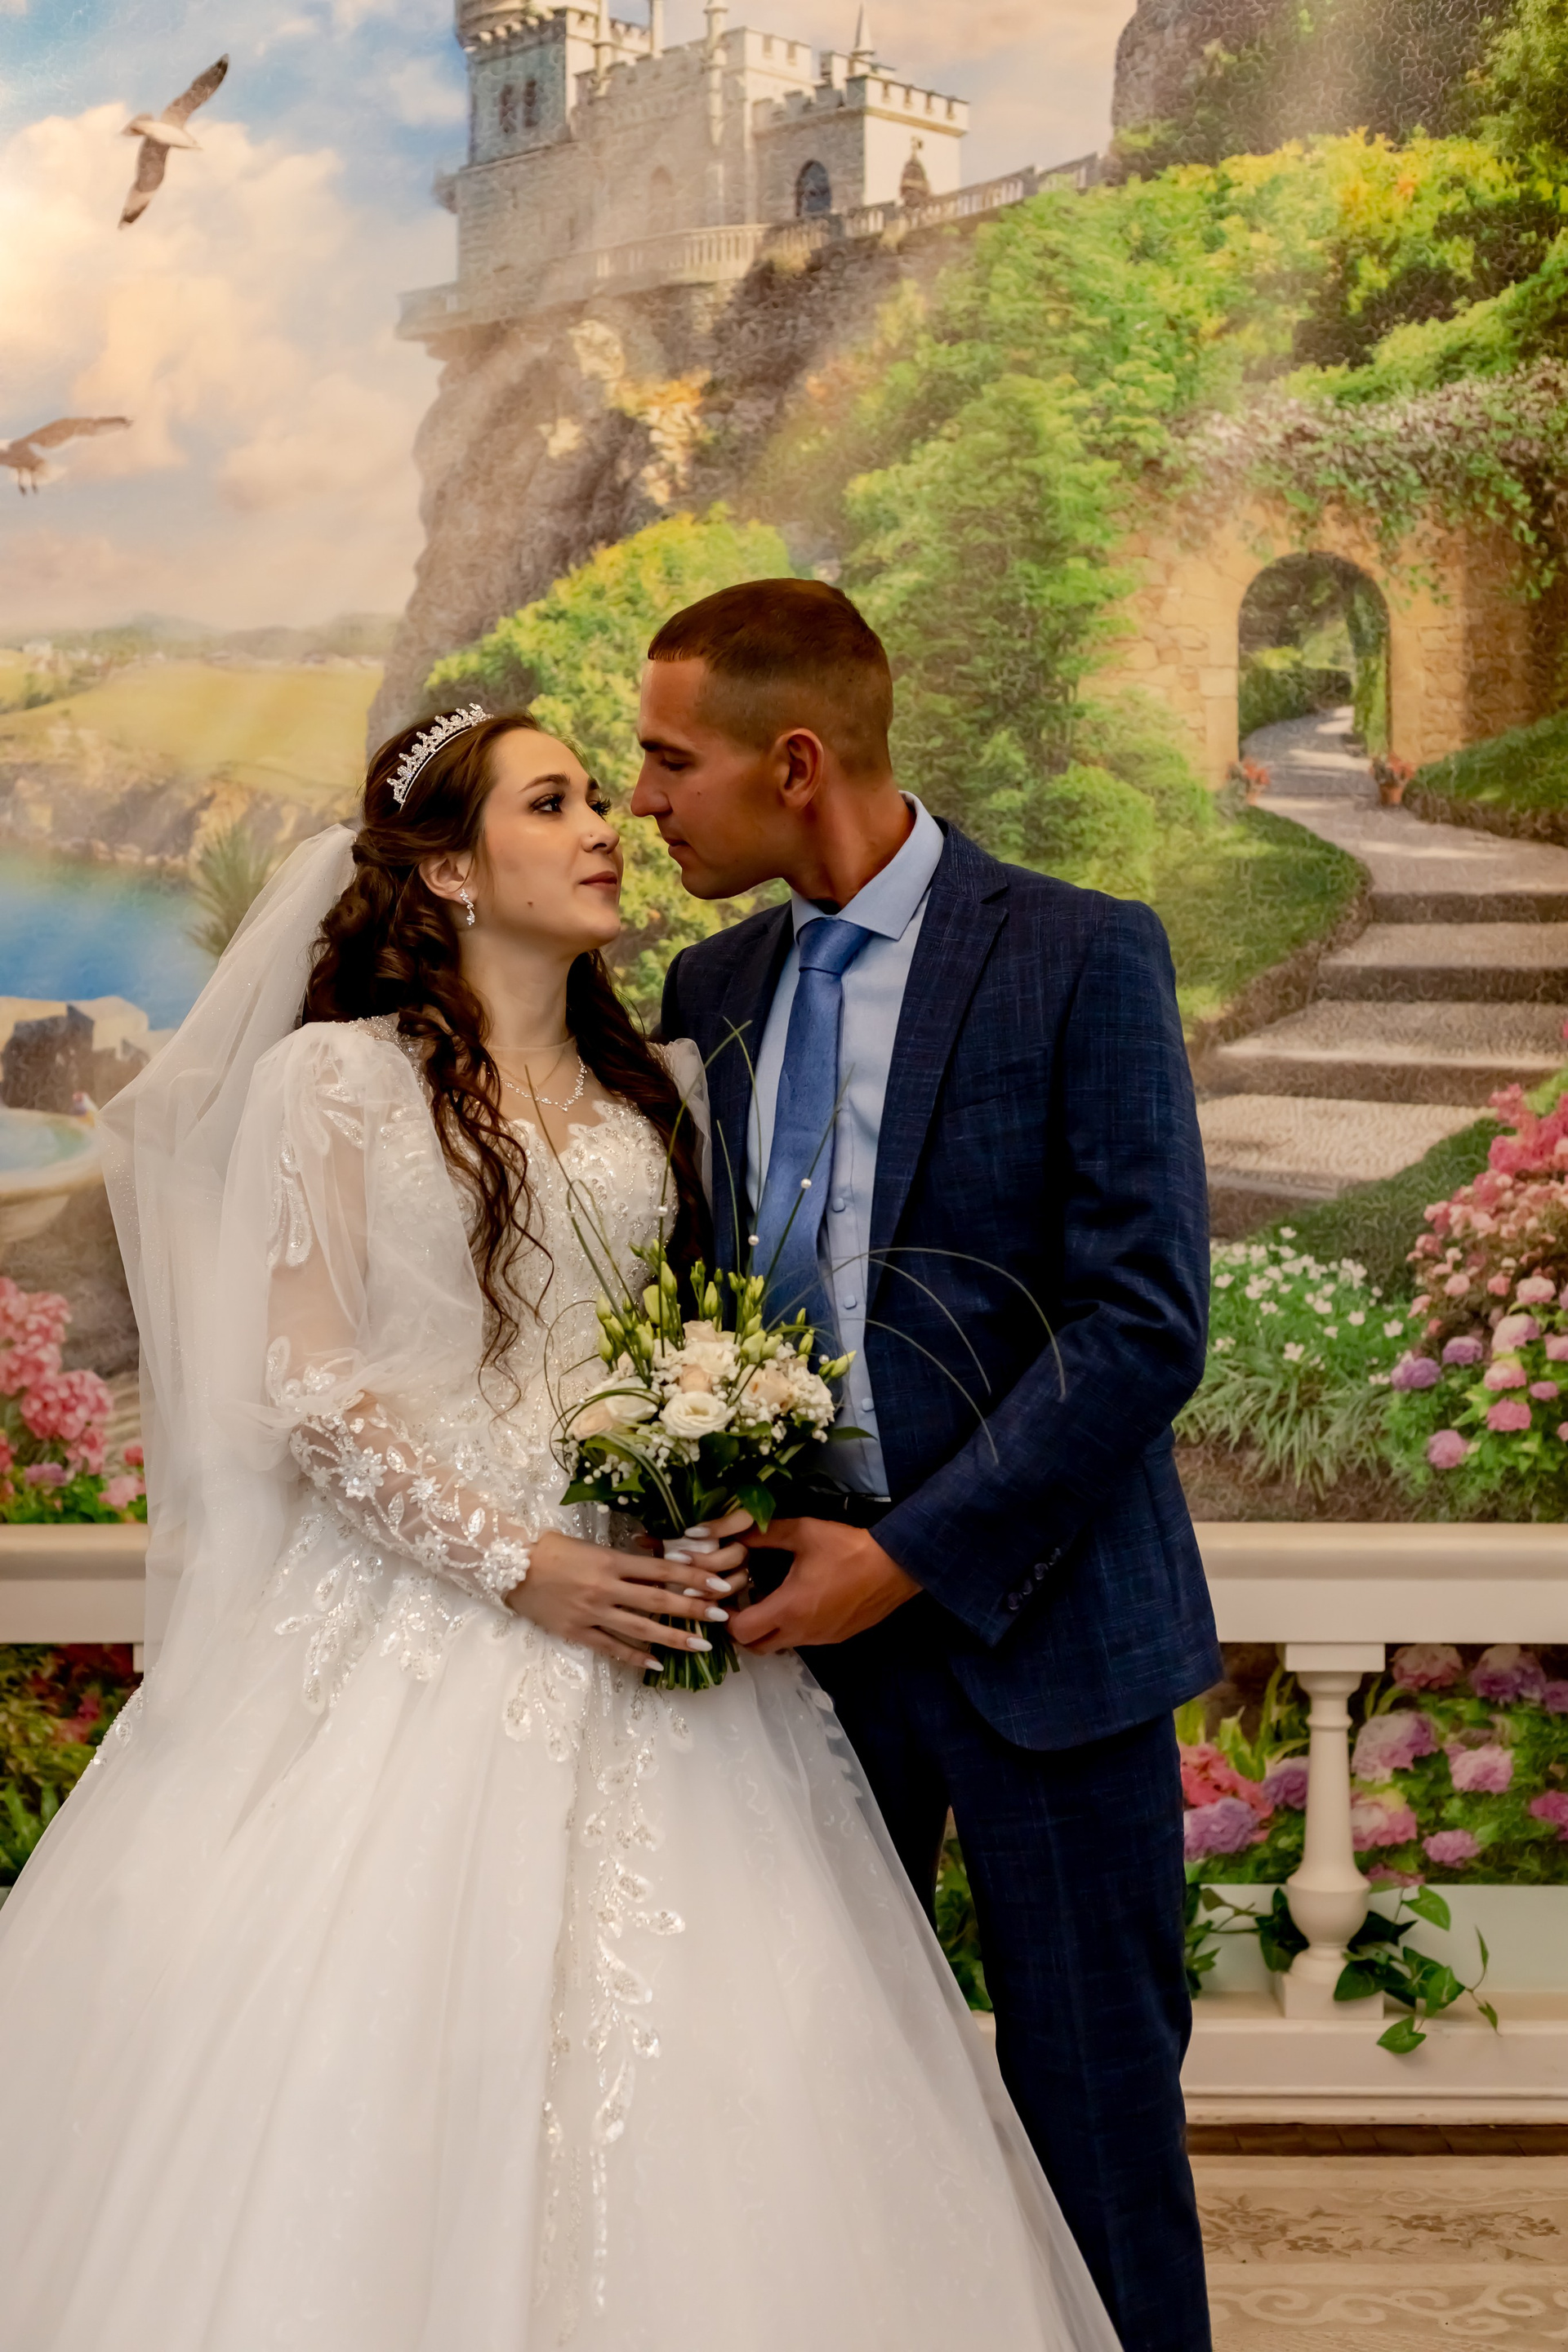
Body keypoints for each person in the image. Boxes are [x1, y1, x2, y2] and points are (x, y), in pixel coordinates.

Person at [0, 706, 1119, 2352]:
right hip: (432, 1612)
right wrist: (520, 1564)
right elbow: (308, 1389)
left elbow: (694, 1331)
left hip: (659, 1619)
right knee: (375, 2051)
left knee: (748, 2068)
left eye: (603, 793)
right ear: (449, 871)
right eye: (554, 802)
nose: (607, 825)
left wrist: (718, 1472)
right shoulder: (338, 1077)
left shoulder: (657, 1083)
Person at [635, 581, 1220, 2352]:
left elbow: (1142, 1319)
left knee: (1098, 2125)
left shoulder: (1081, 950)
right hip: (797, 1675)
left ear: (795, 761)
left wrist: (906, 1557)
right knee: (818, 2134)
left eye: (671, 761)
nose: (644, 800)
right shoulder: (708, 985)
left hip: (1052, 1641)